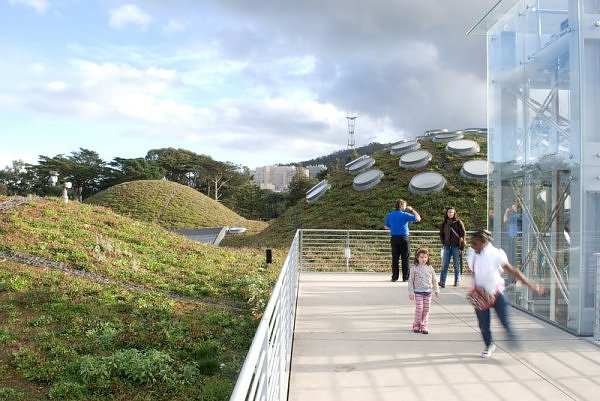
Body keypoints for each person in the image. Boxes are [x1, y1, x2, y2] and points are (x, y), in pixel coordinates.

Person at [466, 229, 544, 359]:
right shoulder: (471, 253)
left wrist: (530, 285)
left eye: (475, 243)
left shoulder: (496, 254)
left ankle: (516, 346)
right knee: (483, 325)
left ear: (484, 242)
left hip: (497, 292)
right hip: (480, 294)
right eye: (472, 243)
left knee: (505, 321)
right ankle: (489, 345)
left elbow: (513, 271)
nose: (472, 246)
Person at [384, 199, 421, 282]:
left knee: (395, 258)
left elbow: (386, 227)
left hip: (394, 238)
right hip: (404, 238)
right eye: (405, 205)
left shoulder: (390, 215)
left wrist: (394, 228)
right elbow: (418, 218)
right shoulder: (405, 215)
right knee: (405, 258)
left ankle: (394, 277)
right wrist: (412, 210)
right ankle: (405, 277)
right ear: (401, 206)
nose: (406, 207)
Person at [408, 247, 440, 334]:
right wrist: (411, 293)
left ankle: (424, 325)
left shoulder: (430, 268)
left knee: (426, 309)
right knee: (419, 308)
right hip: (418, 292)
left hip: (428, 292)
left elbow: (434, 280)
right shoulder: (414, 268)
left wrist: (436, 290)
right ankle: (416, 324)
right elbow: (410, 281)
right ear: (417, 258)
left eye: (425, 257)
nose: (423, 259)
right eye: (421, 257)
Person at [438, 207, 466, 288]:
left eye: (452, 212)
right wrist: (443, 242)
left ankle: (457, 281)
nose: (450, 214)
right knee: (444, 265)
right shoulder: (444, 223)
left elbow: (463, 235)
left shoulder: (458, 222)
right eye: (449, 212)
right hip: (447, 246)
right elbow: (441, 234)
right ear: (447, 213)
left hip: (456, 247)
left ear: (454, 213)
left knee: (456, 265)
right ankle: (442, 282)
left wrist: (462, 247)